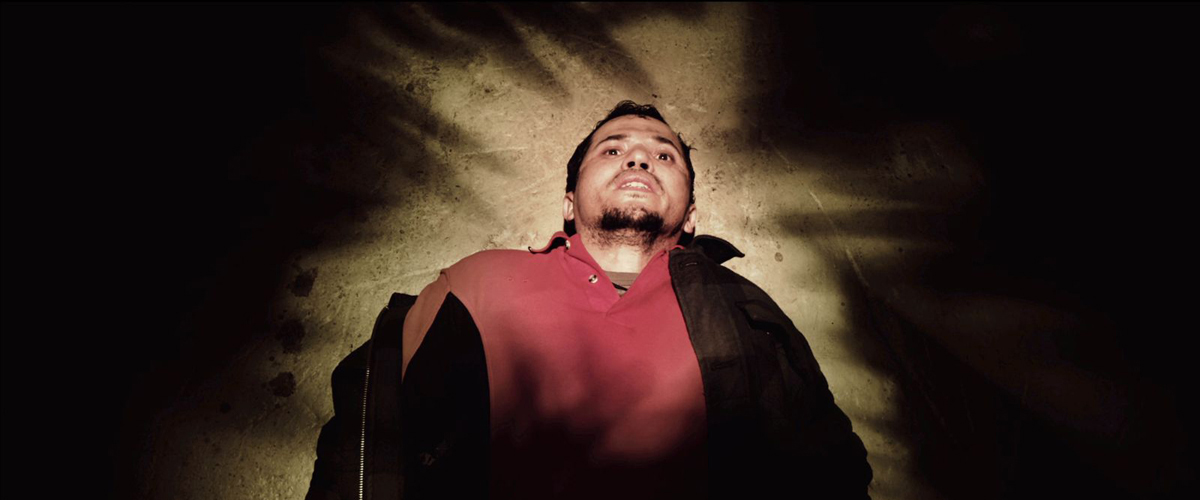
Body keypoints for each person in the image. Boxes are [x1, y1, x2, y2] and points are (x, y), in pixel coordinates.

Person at [306, 101, 872, 500]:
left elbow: (827, 472)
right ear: (569, 202)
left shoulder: (745, 310)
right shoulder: (476, 283)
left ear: (692, 216)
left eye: (664, 156)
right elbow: (363, 448)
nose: (639, 160)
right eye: (613, 149)